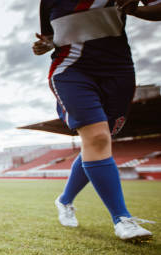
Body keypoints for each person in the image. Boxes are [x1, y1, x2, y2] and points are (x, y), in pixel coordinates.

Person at [34, 0, 154, 241]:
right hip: (70, 69)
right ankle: (122, 219)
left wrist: (136, 9)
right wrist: (45, 45)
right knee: (97, 138)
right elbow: (51, 36)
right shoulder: (48, 2)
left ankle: (64, 200)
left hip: (118, 70)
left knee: (98, 142)